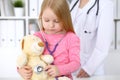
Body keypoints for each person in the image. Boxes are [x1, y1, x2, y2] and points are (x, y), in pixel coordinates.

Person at [17, 0, 80, 80]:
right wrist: (21, 70)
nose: (51, 25)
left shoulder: (71, 38)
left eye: (56, 21)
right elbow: (24, 57)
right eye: (46, 20)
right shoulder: (37, 37)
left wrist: (59, 70)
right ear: (41, 17)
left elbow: (76, 63)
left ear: (65, 18)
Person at [70, 0, 114, 78]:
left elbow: (103, 45)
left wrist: (89, 68)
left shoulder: (106, 4)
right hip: (70, 67)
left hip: (91, 71)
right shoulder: (74, 2)